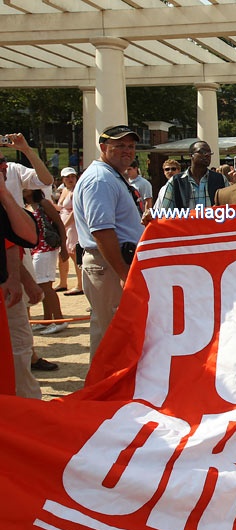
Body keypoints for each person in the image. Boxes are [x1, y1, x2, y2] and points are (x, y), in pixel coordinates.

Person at [73, 125, 145, 358]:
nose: (127, 150)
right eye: (120, 145)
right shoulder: (100, 180)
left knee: (113, 332)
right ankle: (104, 391)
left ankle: (106, 389)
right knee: (112, 335)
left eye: (131, 146)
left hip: (112, 262)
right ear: (103, 147)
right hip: (109, 264)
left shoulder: (110, 176)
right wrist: (123, 272)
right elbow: (102, 231)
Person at [0, 170, 47, 396]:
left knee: (19, 345)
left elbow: (26, 238)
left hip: (7, 288)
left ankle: (27, 403)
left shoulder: (4, 201)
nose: (3, 170)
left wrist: (24, 279)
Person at [22, 189, 69, 335]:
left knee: (46, 285)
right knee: (43, 285)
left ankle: (59, 319)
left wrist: (64, 247)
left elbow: (59, 223)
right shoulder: (29, 206)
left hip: (46, 248)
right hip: (37, 249)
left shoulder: (43, 203)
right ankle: (47, 319)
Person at [160, 140, 226, 210]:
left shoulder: (220, 179)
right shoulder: (176, 181)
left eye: (209, 153)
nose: (207, 155)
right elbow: (164, 212)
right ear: (191, 155)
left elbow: (231, 209)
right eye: (202, 152)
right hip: (185, 220)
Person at [55, 167, 82, 296]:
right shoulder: (64, 190)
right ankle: (63, 282)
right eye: (67, 177)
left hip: (72, 226)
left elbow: (74, 211)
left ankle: (80, 284)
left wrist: (64, 226)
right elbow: (61, 208)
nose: (70, 179)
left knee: (74, 254)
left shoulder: (75, 191)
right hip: (64, 224)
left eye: (72, 176)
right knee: (62, 254)